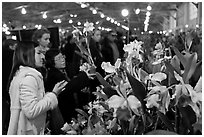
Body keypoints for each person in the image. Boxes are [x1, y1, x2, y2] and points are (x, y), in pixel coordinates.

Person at [7, 41, 67, 135]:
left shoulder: (21, 75)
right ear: (27, 54)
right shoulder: (29, 78)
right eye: (38, 53)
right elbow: (31, 111)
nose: (43, 57)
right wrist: (53, 94)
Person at [44, 49, 95, 134]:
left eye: (62, 57)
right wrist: (85, 75)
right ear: (51, 61)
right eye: (59, 58)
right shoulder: (53, 75)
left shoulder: (65, 70)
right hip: (64, 111)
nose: (62, 59)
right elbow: (69, 87)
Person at [2, 39, 18, 134]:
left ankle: (6, 127)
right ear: (11, 46)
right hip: (10, 84)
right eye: (16, 46)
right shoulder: (12, 57)